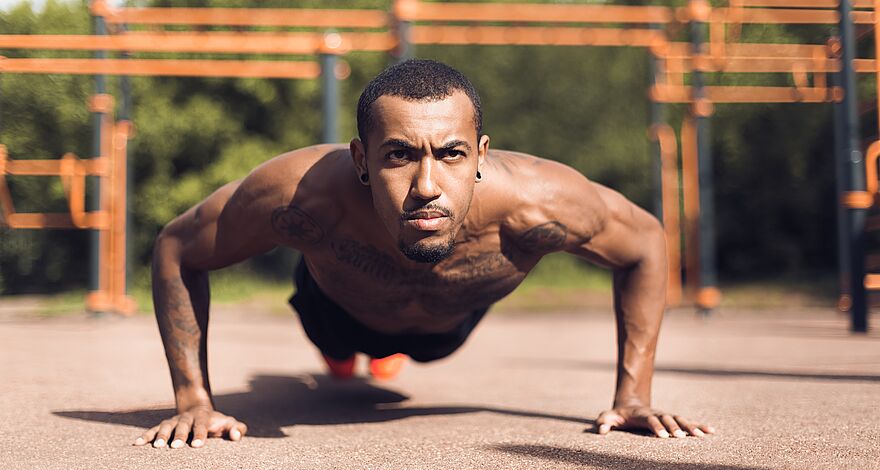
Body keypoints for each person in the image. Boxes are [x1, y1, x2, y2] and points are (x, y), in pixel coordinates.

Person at [136, 59, 714, 449]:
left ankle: (382, 361)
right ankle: (346, 359)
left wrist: (633, 398)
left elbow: (645, 243)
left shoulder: (539, 205)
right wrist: (193, 399)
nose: (428, 184)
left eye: (452, 154)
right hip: (335, 308)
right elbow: (177, 246)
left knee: (412, 356)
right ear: (361, 160)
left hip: (448, 325)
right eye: (399, 156)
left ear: (481, 154)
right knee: (338, 351)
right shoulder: (304, 196)